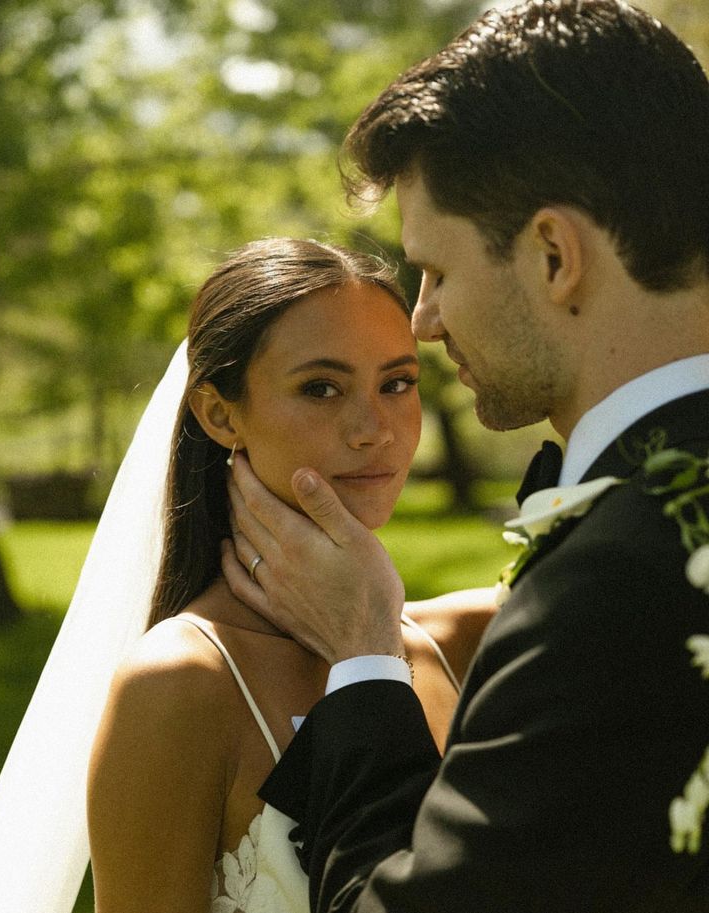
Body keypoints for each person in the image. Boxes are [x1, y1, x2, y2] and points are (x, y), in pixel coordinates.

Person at [222, 2, 709, 911]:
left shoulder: (615, 584)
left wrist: (365, 653)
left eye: (437, 270)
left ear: (555, 254)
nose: (424, 320)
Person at [0, 238, 495, 913]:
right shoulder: (181, 684)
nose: (375, 429)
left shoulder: (469, 642)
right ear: (220, 413)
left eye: (397, 382)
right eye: (320, 388)